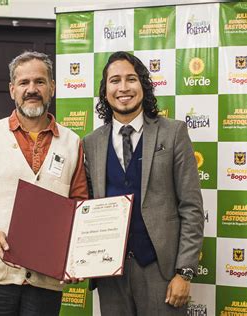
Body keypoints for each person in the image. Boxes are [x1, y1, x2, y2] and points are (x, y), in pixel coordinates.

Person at [0, 51, 88, 316]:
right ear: (12, 89)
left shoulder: (72, 143)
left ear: (52, 87)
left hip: (46, 281)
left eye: (40, 82)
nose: (32, 89)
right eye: (24, 82)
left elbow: (79, 208)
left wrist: (73, 256)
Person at [83, 51, 204, 315]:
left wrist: (184, 272)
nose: (123, 88)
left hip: (161, 271)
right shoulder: (91, 143)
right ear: (105, 91)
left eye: (131, 79)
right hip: (109, 273)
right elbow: (85, 207)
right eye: (115, 81)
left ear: (143, 86)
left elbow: (192, 208)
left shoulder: (173, 133)